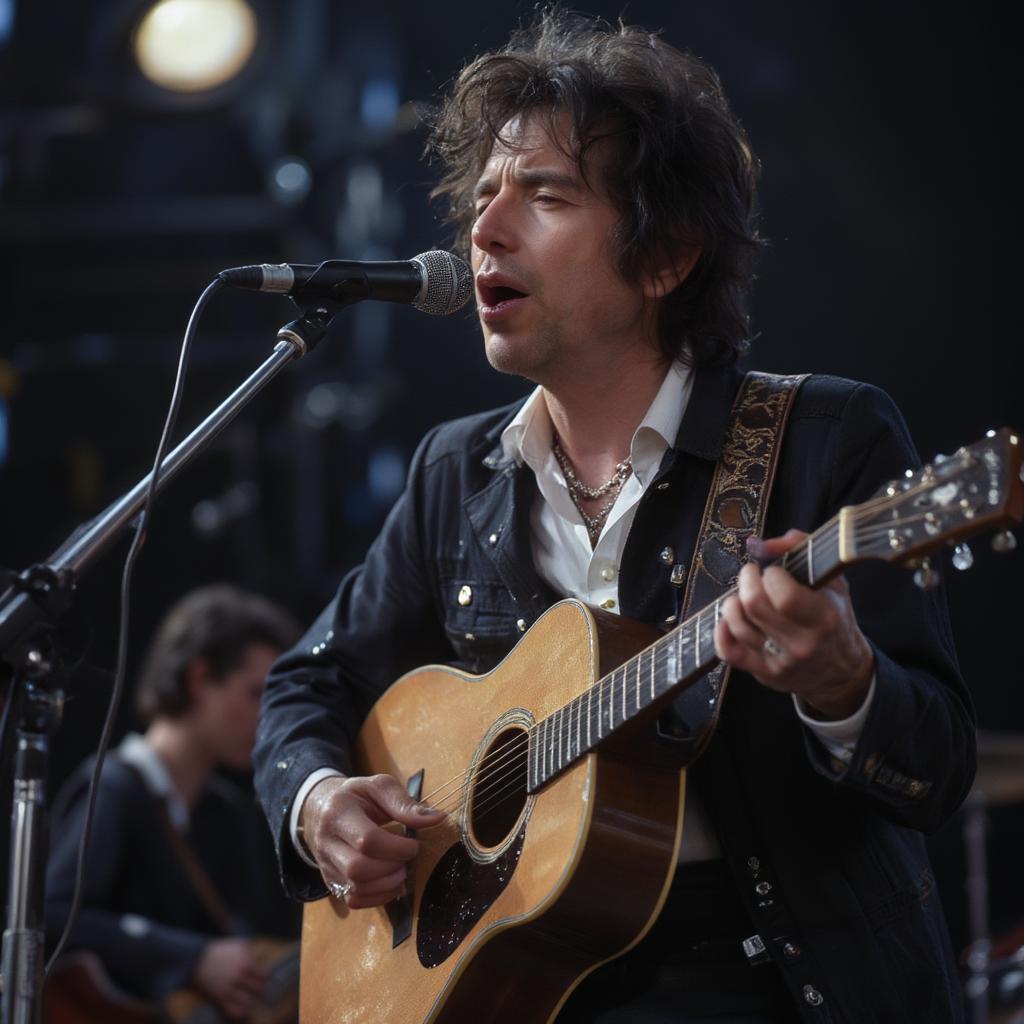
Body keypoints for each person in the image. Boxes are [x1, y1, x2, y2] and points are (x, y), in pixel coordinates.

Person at [253, 11, 975, 1023]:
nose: (485, 227)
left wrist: (843, 683)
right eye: (485, 193)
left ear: (666, 256)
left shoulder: (825, 438)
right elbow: (307, 686)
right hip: (523, 985)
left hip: (763, 982)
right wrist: (317, 801)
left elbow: (937, 767)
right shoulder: (455, 471)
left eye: (543, 196)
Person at [45, 584, 301, 1021]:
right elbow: (52, 920)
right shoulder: (115, 789)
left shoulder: (225, 809)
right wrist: (193, 957)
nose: (269, 716)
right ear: (199, 678)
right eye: (257, 693)